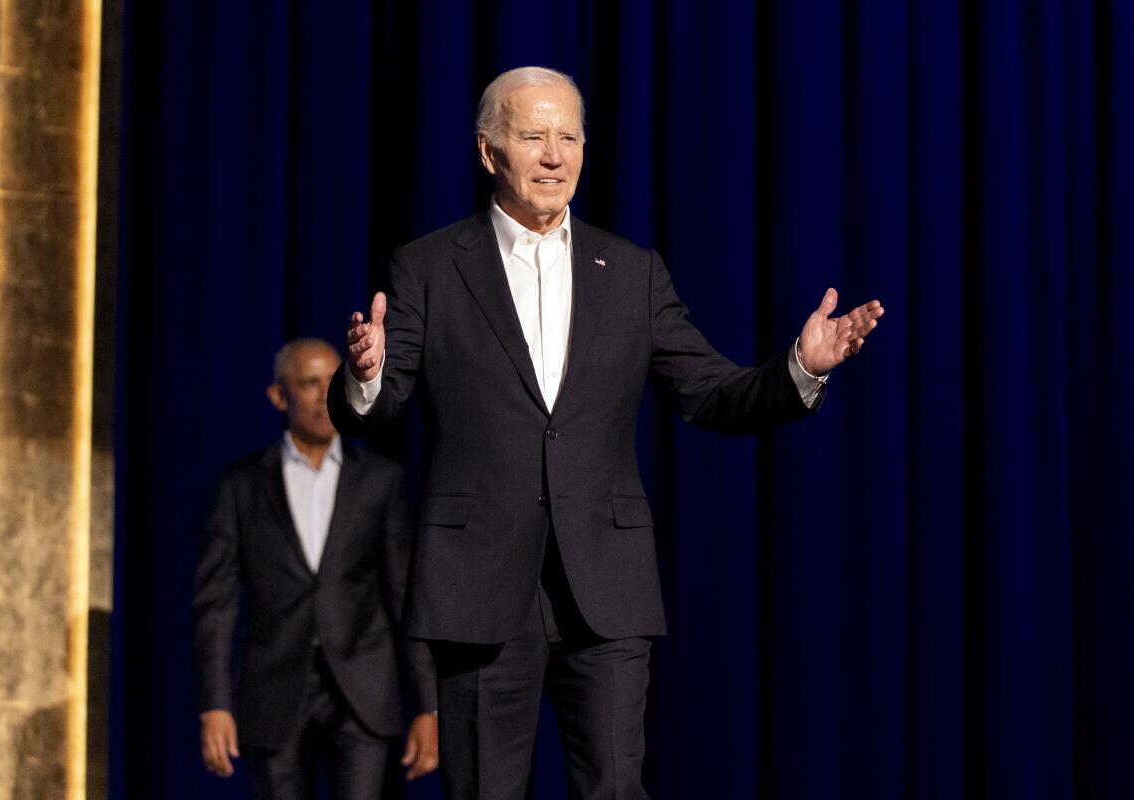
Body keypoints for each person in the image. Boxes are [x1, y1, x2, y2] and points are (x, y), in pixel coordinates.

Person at [329, 67, 885, 800]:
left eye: (569, 137)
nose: (555, 155)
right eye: (533, 136)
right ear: (489, 152)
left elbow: (712, 395)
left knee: (617, 789)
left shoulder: (631, 272)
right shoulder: (428, 267)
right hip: (476, 587)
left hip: (607, 584)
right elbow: (379, 401)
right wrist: (364, 373)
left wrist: (798, 369)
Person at [192, 338, 438, 799]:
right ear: (279, 396)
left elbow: (406, 594)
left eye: (334, 380)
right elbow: (215, 603)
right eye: (309, 383)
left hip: (363, 691)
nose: (326, 394)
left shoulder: (379, 482)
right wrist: (214, 705)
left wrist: (429, 706)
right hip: (273, 692)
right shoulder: (241, 487)